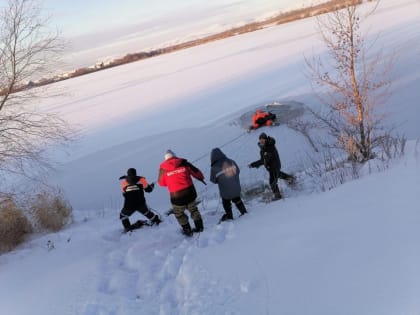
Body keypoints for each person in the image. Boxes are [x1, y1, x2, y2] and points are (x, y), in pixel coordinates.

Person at [158, 150, 206, 236]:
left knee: (179, 214)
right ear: (175, 156)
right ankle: (199, 228)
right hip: (190, 193)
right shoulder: (183, 163)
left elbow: (161, 183)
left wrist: (170, 179)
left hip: (176, 196)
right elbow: (197, 173)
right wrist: (200, 177)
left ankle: (187, 231)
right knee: (193, 210)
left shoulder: (163, 169)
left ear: (165, 159)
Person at [248, 133, 295, 200]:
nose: (261, 141)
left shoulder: (269, 147)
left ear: (266, 139)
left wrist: (253, 164)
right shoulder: (263, 148)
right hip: (271, 167)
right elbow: (263, 160)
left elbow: (264, 160)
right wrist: (257, 164)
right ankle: (290, 178)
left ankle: (277, 196)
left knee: (272, 182)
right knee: (278, 174)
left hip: (274, 166)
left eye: (263, 139)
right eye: (260, 139)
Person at [210, 148, 247, 222]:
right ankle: (244, 212)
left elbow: (213, 180)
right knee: (237, 199)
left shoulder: (214, 168)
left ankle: (229, 217)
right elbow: (238, 171)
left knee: (226, 202)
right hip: (236, 188)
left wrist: (221, 179)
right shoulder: (231, 161)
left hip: (225, 192)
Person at [119, 168, 161, 232]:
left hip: (129, 204)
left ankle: (127, 228)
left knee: (123, 216)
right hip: (140, 203)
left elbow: (124, 194)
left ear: (128, 174)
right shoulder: (141, 180)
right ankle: (157, 221)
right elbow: (148, 190)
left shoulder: (124, 182)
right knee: (147, 213)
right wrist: (152, 186)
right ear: (135, 173)